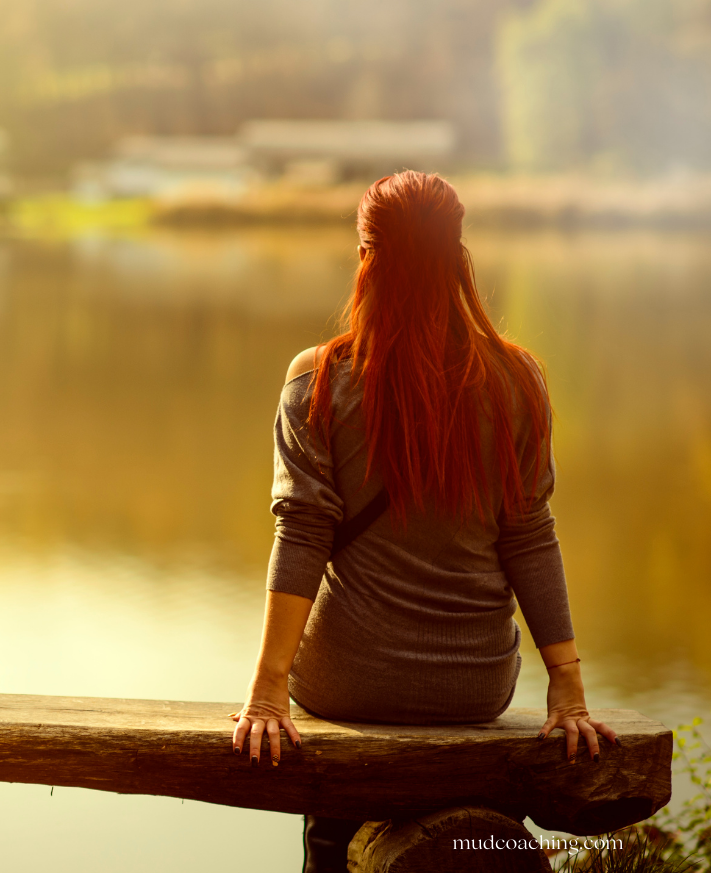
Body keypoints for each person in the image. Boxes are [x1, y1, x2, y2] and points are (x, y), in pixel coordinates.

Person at [228, 171, 618, 873]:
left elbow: (304, 531)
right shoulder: (518, 381)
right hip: (474, 686)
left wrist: (267, 690)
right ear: (458, 255)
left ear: (367, 258)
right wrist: (567, 684)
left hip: (349, 683)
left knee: (334, 839)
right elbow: (530, 534)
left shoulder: (318, 379)